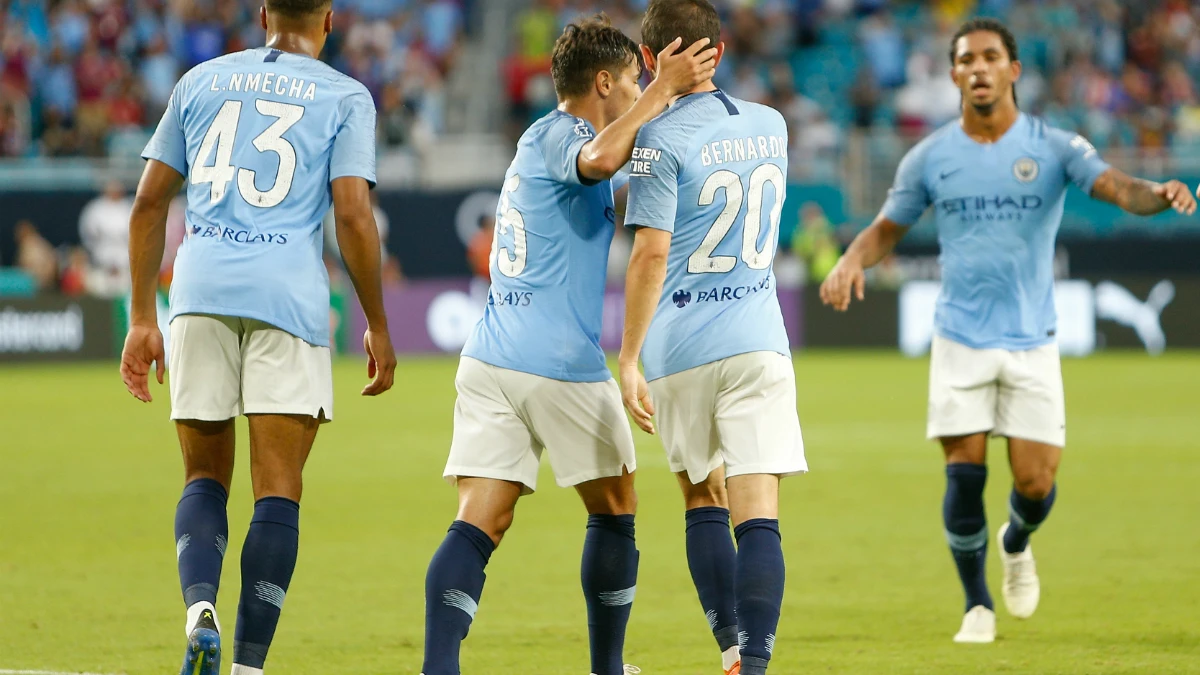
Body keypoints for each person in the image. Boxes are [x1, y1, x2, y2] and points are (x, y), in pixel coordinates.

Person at [819, 18, 1198, 644]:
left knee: (1035, 483)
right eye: (966, 60)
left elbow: (1117, 187)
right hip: (960, 336)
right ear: (954, 75)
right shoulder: (931, 156)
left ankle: (1016, 541)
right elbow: (888, 226)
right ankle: (977, 605)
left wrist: (1159, 193)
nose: (979, 68)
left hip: (1032, 339)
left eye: (991, 57)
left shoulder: (1055, 147)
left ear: (1014, 70)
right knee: (964, 474)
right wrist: (850, 259)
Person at [420, 15, 715, 675]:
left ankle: (438, 667)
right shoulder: (566, 133)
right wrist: (662, 90)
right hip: (556, 361)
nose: (642, 87)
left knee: (481, 518)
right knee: (616, 507)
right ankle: (608, 668)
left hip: (493, 355)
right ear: (604, 82)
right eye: (634, 79)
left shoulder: (537, 139)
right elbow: (602, 158)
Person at [118, 0, 398, 673]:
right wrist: (379, 324)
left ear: (264, 13)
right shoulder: (345, 95)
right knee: (277, 486)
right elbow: (354, 215)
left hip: (200, 289)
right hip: (288, 296)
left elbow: (149, 202)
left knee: (203, 479)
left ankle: (199, 609)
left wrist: (139, 317)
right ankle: (246, 664)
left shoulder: (202, 81)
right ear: (328, 20)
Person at [618, 2, 808, 674]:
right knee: (758, 512)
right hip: (757, 335)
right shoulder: (772, 124)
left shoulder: (656, 141)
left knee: (703, 496)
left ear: (649, 59)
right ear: (717, 52)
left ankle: (730, 650)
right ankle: (753, 666)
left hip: (680, 344)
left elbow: (649, 253)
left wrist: (629, 355)